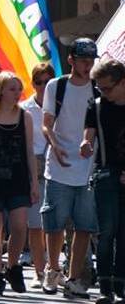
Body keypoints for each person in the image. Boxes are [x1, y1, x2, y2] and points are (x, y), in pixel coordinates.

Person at [41, 38, 99, 297]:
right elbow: (46, 123)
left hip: (88, 166)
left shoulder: (98, 88)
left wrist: (87, 142)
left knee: (84, 226)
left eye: (91, 60)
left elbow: (95, 122)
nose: (88, 65)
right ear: (71, 60)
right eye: (83, 60)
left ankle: (74, 277)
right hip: (59, 165)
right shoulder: (57, 85)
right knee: (55, 224)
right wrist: (54, 144)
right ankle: (53, 270)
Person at [0, 72, 38, 296]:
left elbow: (29, 151)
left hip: (18, 179)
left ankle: (13, 266)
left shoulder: (24, 116)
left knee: (18, 226)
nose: (17, 93)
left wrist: (34, 182)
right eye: (12, 88)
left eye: (18, 89)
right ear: (1, 90)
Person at [80, 59, 125, 304]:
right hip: (105, 173)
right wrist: (85, 144)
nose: (103, 93)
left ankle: (122, 284)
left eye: (107, 88)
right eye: (99, 88)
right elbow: (89, 134)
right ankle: (105, 286)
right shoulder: (96, 105)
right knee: (106, 231)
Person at [20, 61, 55, 290]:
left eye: (47, 82)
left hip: (58, 168)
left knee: (56, 224)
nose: (43, 86)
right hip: (33, 169)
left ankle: (56, 270)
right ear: (33, 84)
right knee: (35, 225)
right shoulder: (24, 108)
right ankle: (39, 271)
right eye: (39, 82)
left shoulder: (62, 105)